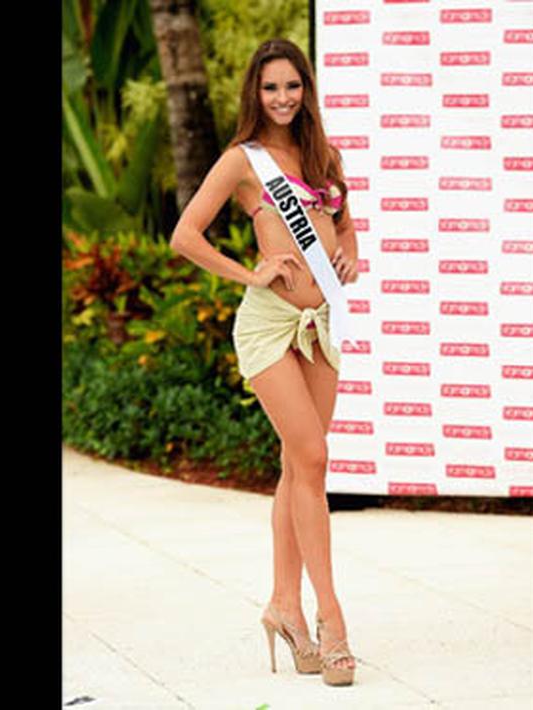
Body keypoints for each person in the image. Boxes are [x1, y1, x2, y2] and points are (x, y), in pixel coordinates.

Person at [168, 38, 360, 686]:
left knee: (293, 466)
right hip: (271, 325)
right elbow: (184, 236)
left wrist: (350, 256)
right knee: (311, 459)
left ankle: (283, 607)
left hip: (321, 323)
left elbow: (344, 223)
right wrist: (249, 276)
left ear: (305, 90)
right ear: (255, 92)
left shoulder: (321, 156)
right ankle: (330, 618)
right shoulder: (240, 162)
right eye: (270, 87)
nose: (282, 98)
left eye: (292, 87)